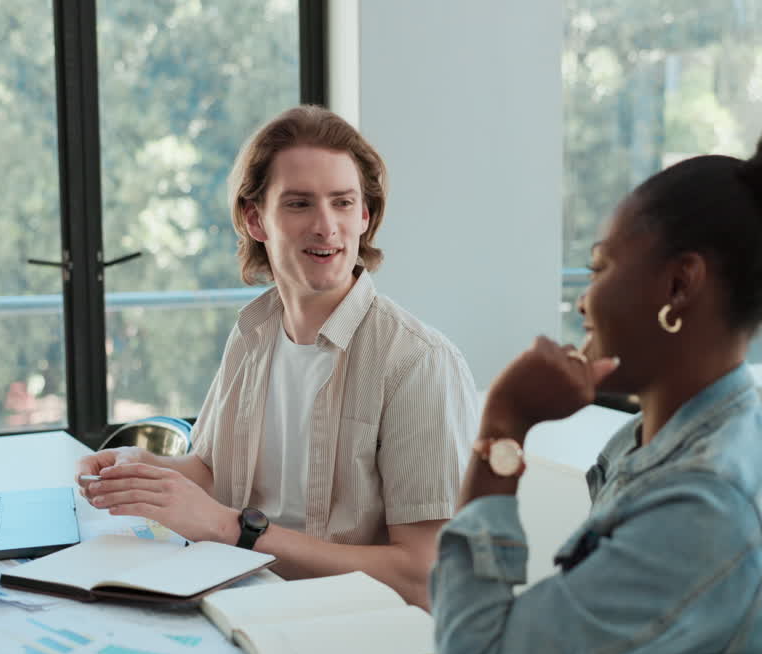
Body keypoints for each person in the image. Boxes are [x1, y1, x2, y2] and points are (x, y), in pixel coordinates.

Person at [430, 121, 762, 654]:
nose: (583, 300)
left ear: (679, 285)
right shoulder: (647, 442)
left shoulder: (710, 502)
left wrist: (504, 423)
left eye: (600, 268)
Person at [78, 106, 479, 610]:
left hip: (349, 624)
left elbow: (423, 577)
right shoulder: (253, 333)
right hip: (239, 596)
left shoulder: (418, 362)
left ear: (364, 216)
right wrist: (144, 471)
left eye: (342, 202)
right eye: (299, 204)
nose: (326, 226)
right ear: (255, 219)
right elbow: (215, 470)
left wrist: (233, 530)